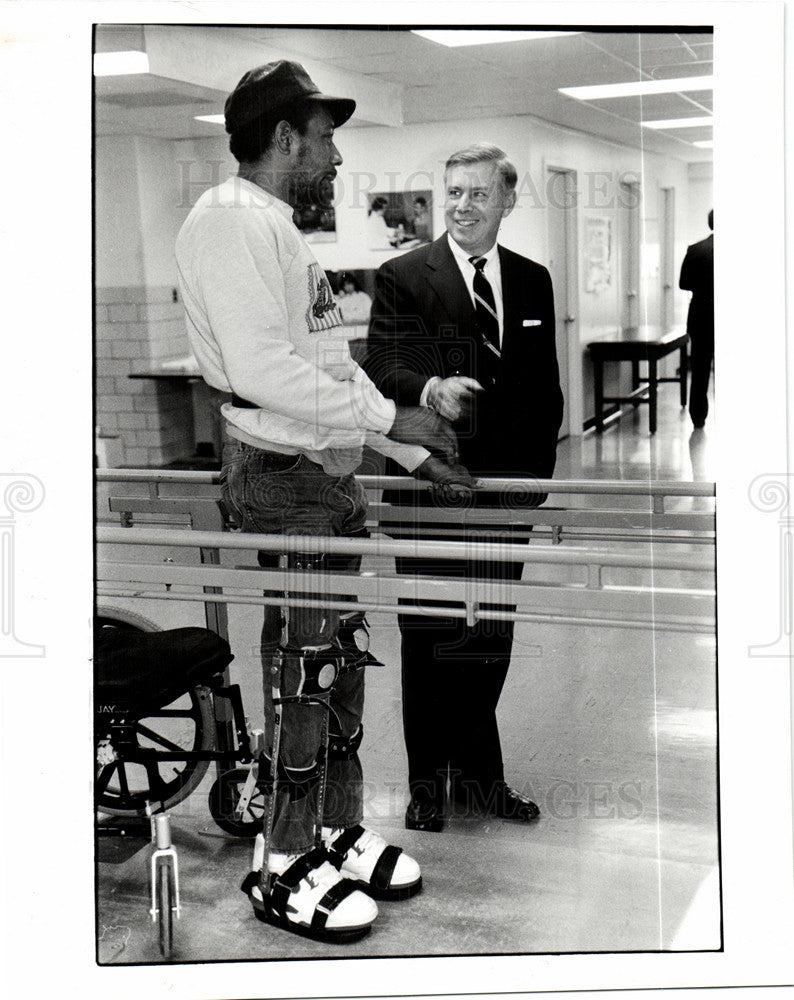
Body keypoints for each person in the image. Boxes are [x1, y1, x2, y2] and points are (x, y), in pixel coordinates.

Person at [175, 59, 474, 943]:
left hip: (324, 475)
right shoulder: (228, 223)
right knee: (302, 672)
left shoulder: (274, 226)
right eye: (327, 136)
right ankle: (280, 859)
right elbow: (266, 374)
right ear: (283, 138)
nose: (338, 156)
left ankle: (333, 831)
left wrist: (405, 450)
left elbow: (325, 374)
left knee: (338, 664)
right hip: (278, 477)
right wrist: (396, 416)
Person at [365, 142, 564, 833]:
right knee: (429, 638)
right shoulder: (403, 276)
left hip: (506, 496)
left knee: (490, 640)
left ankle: (480, 781)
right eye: (452, 192)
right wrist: (428, 386)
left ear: (507, 200)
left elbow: (545, 389)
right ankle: (427, 787)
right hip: (430, 486)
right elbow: (381, 362)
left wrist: (536, 483)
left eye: (479, 193)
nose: (462, 205)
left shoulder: (533, 279)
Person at [679, 209, 714, 428]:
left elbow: (683, 283)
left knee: (700, 367)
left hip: (701, 314)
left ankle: (698, 417)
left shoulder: (695, 249)